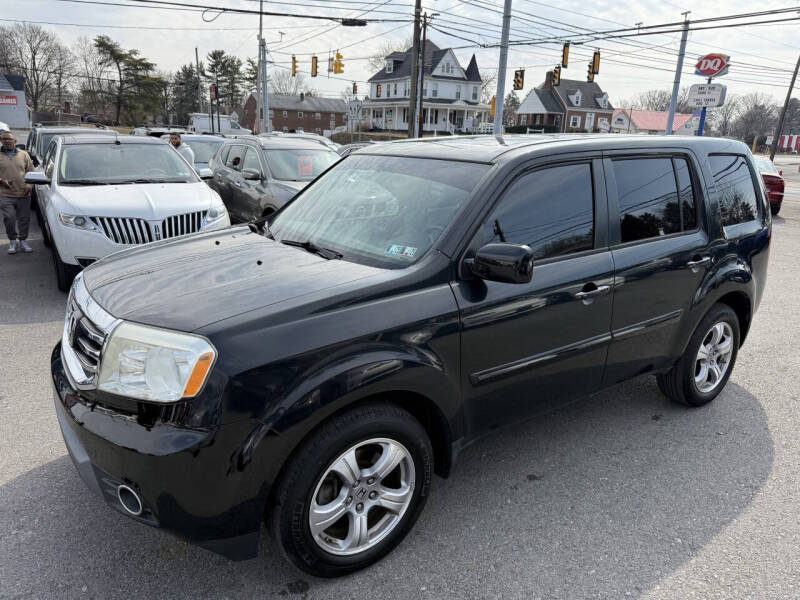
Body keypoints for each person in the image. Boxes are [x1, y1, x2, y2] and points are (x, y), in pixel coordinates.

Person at [0, 131, 34, 254]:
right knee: (9, 218)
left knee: (24, 219)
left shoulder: (24, 155)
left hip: (23, 194)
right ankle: (12, 241)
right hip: (5, 194)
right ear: (1, 141)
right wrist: (1, 180)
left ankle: (23, 241)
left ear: (15, 141)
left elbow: (32, 172)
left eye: (9, 139)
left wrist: (29, 186)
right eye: (3, 139)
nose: (6, 141)